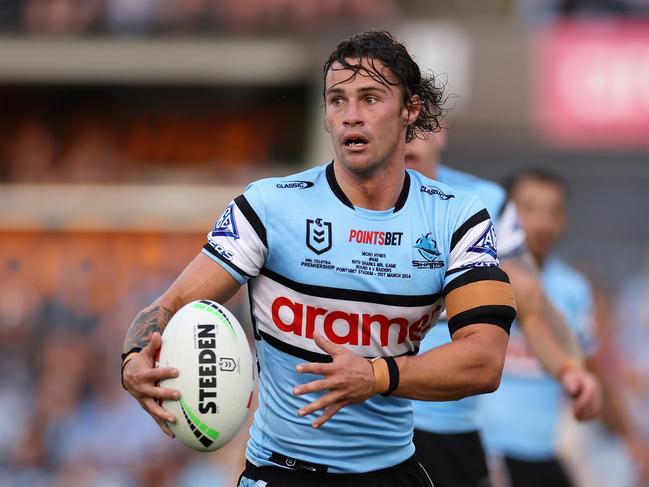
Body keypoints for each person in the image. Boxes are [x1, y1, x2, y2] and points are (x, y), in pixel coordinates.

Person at [121, 30, 517, 487]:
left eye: (370, 98)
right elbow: (168, 308)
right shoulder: (268, 206)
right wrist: (133, 359)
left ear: (410, 109)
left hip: (391, 474)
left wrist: (374, 376)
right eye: (337, 100)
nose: (351, 116)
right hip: (281, 473)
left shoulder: (457, 217)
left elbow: (485, 361)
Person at [404, 130, 601, 487]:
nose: (409, 139)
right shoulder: (339, 198)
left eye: (421, 125)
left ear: (442, 129)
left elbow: (529, 299)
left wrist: (569, 366)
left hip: (452, 432)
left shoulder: (483, 202)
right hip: (368, 421)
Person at [479, 169, 649, 487]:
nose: (541, 222)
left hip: (545, 450)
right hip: (486, 450)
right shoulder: (479, 280)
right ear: (503, 215)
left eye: (552, 211)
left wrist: (630, 439)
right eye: (528, 209)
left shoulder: (572, 290)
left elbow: (592, 370)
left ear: (564, 219)